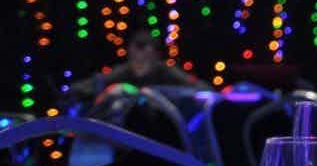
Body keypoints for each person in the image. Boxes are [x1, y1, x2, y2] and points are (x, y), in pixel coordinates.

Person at [69, 29, 211, 102]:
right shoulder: (122, 72)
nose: (139, 54)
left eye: (144, 47)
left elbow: (196, 86)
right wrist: (73, 92)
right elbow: (94, 84)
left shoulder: (166, 71)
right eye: (136, 47)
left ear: (154, 53)